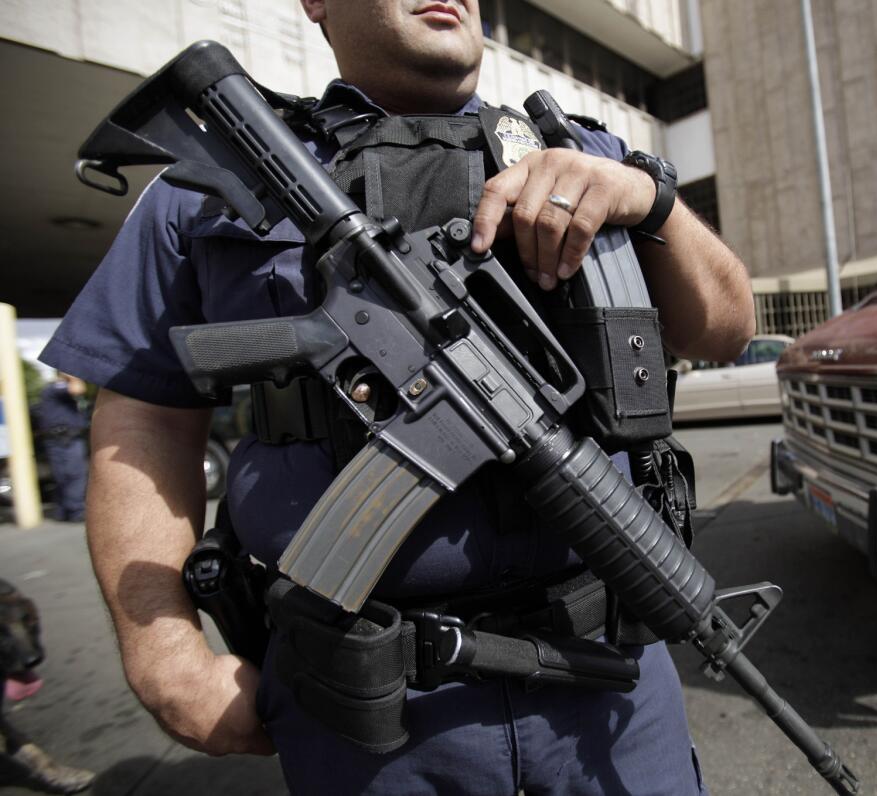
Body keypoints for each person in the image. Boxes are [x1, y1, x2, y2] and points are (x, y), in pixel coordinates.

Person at [41, 1, 755, 792]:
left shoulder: (586, 153)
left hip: (614, 687)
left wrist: (649, 203)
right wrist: (164, 653)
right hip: (366, 709)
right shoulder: (225, 172)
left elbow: (726, 329)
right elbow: (144, 419)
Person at [30, 372, 89, 523]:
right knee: (74, 474)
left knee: (62, 476)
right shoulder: (58, 386)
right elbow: (78, 389)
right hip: (65, 439)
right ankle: (76, 511)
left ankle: (63, 511)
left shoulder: (52, 389)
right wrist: (74, 376)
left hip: (59, 438)